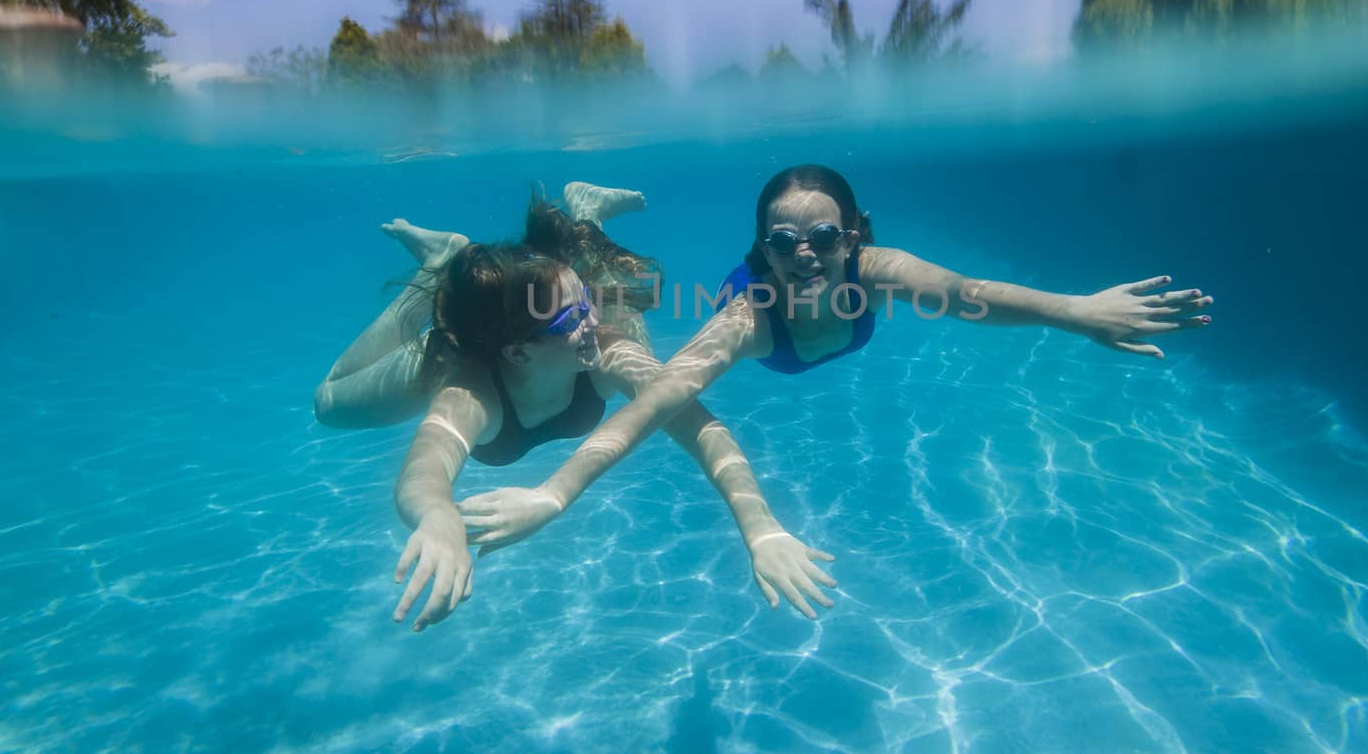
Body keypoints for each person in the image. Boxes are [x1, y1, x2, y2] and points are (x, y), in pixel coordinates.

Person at [456, 164, 1215, 551]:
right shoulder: (750, 317)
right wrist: (555, 493)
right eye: (784, 245)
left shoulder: (876, 274)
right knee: (630, 297)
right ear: (762, 252)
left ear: (857, 235)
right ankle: (581, 214)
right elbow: (657, 400)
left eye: (826, 239)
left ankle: (585, 211)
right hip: (729, 321)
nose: (807, 258)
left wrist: (1079, 312)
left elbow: (970, 292)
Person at [314, 182, 837, 631]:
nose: (593, 321)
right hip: (462, 339)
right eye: (571, 319)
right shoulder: (469, 390)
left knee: (609, 291)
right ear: (518, 351)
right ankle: (443, 267)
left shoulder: (607, 347)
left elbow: (701, 428)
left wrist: (762, 529)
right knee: (329, 403)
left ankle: (582, 212)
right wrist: (437, 518)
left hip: (538, 319)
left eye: (583, 302)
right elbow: (425, 468)